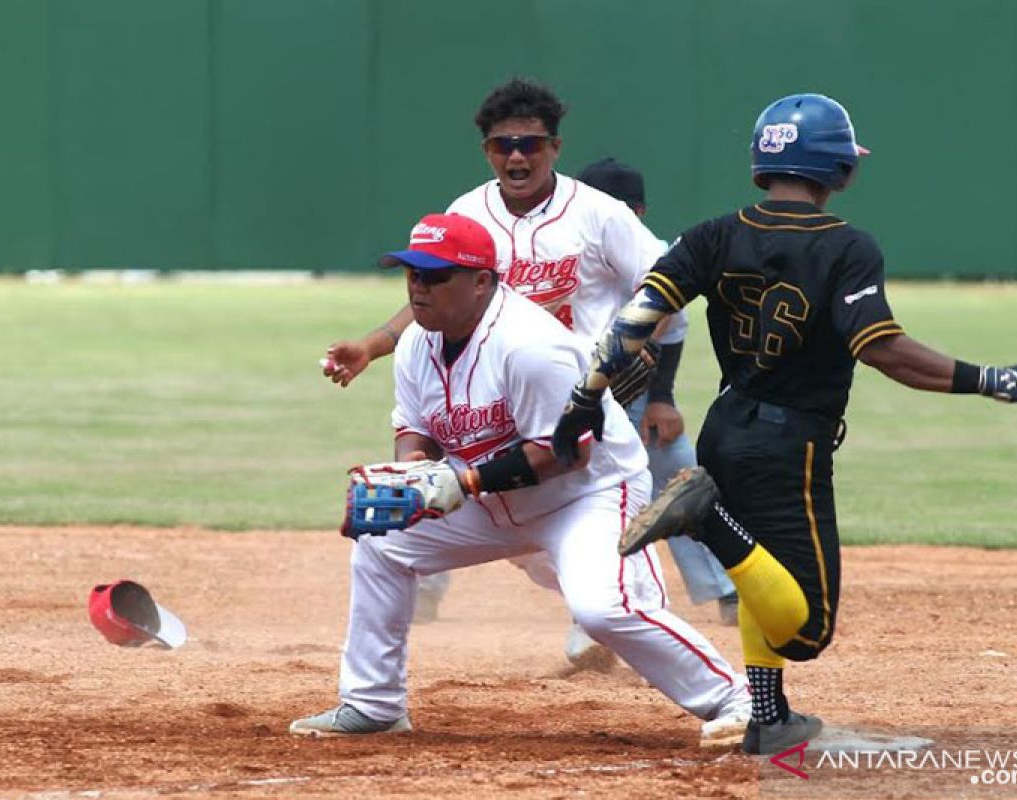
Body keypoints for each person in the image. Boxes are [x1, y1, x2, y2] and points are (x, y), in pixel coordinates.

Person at [551, 93, 1017, 755]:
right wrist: (991, 380)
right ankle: (703, 517)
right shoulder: (847, 246)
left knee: (758, 574)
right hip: (788, 444)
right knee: (807, 625)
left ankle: (767, 715)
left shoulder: (712, 234)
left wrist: (582, 402)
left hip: (724, 427)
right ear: (839, 170)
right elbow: (881, 346)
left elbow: (633, 320)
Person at [291, 212, 752, 747]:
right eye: (412, 272)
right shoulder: (420, 341)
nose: (419, 286)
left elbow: (566, 452)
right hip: (495, 493)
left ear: (482, 282)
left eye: (436, 275)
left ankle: (736, 701)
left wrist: (460, 484)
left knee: (603, 610)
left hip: (587, 495)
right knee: (384, 542)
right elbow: (415, 427)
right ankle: (373, 704)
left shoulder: (529, 346)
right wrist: (414, 473)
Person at [320, 78, 727, 671]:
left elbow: (666, 283)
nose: (517, 155)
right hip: (500, 393)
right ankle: (604, 606)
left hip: (591, 388)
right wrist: (373, 345)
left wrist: (636, 349)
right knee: (529, 532)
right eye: (503, 143)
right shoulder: (467, 213)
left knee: (598, 495)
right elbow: (432, 293)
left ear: (554, 147)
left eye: (530, 144)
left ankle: (635, 622)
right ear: (487, 150)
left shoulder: (598, 212)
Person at [575, 157, 738, 625]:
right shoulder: (566, 249)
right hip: (566, 388)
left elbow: (676, 319)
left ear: (639, 212)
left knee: (680, 475)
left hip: (633, 390)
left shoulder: (649, 251)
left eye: (621, 209)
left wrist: (662, 396)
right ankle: (429, 577)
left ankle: (728, 590)